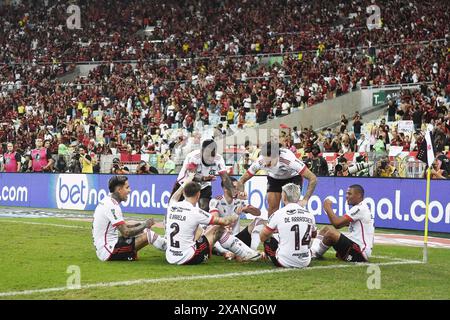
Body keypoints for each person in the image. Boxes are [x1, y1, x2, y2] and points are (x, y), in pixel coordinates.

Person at [165, 175, 260, 265]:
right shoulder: (196, 212)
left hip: (170, 257)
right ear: (198, 195)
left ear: (184, 193)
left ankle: (238, 252)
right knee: (218, 228)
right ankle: (245, 254)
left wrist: (185, 182)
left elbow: (174, 197)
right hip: (189, 257)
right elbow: (224, 222)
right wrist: (236, 214)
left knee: (200, 228)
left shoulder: (172, 205)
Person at [92, 176, 166, 261]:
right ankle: (171, 251)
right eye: (127, 187)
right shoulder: (112, 206)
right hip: (108, 251)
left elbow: (123, 226)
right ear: (119, 190)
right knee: (149, 235)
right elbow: (126, 233)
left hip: (106, 247)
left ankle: (129, 255)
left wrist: (140, 226)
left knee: (144, 231)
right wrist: (145, 225)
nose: (129, 190)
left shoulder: (108, 201)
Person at [236, 141, 317, 217]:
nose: (266, 165)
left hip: (292, 177)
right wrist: (242, 191)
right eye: (265, 162)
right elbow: (242, 180)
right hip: (274, 178)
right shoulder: (260, 161)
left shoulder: (289, 160)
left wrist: (305, 199)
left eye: (269, 163)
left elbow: (313, 178)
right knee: (272, 209)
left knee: (290, 209)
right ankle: (272, 230)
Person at [310, 185, 374, 262]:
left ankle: (314, 255)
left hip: (360, 252)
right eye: (346, 193)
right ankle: (313, 251)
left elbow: (337, 224)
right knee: (325, 229)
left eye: (349, 194)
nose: (347, 196)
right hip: (354, 247)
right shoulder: (361, 207)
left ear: (359, 195)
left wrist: (328, 208)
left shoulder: (360, 208)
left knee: (331, 233)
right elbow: (342, 222)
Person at [260, 183, 317, 268]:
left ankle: (267, 254)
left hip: (284, 262)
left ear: (284, 196)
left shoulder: (278, 214)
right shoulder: (309, 214)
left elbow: (262, 237)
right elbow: (314, 234)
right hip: (305, 261)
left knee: (268, 238)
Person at [171, 139, 235, 212]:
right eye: (207, 155)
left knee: (204, 206)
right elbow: (192, 176)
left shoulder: (219, 159)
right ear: (202, 151)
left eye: (212, 155)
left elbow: (225, 178)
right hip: (185, 183)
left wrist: (233, 191)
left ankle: (201, 223)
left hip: (205, 184)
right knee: (174, 208)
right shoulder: (193, 157)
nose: (210, 159)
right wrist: (204, 178)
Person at [209, 177, 264, 258]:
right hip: (222, 238)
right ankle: (228, 253)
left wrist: (248, 207)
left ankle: (253, 251)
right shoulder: (216, 201)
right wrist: (235, 214)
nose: (236, 190)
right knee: (220, 242)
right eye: (234, 187)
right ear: (225, 188)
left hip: (237, 237)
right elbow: (215, 221)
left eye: (237, 187)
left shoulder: (239, 201)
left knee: (259, 221)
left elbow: (258, 213)